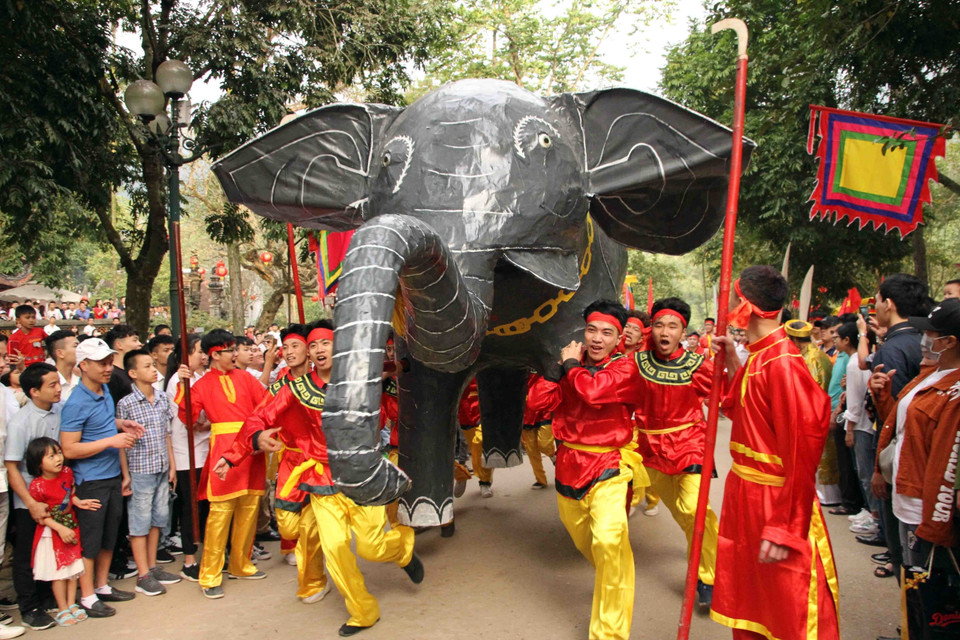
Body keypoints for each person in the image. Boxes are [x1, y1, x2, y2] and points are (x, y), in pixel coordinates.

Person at [213, 320, 422, 636]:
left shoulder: (360, 380)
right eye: (312, 345)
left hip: (360, 473)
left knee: (371, 547)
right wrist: (240, 450)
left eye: (325, 342)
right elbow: (258, 417)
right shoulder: (295, 389)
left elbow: (392, 385)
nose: (319, 349)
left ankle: (402, 548)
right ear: (308, 354)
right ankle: (362, 611)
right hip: (321, 478)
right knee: (336, 547)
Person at [709, 266, 838, 640]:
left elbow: (802, 452)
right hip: (745, 496)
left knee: (790, 609)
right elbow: (749, 416)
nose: (727, 306)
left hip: (774, 501)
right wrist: (733, 360)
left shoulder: (783, 364)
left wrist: (785, 527)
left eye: (731, 300)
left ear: (743, 307)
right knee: (752, 605)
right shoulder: (760, 355)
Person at [527, 300, 647, 640]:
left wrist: (568, 365)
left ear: (618, 337)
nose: (596, 339)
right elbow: (536, 405)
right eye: (591, 330)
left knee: (609, 541)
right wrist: (555, 371)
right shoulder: (569, 367)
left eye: (606, 333)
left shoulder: (625, 368)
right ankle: (614, 579)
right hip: (568, 466)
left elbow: (593, 392)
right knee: (590, 546)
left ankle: (608, 634)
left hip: (609, 464)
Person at [872, 297, 960, 639]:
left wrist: (935, 526)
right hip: (903, 496)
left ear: (951, 341)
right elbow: (904, 430)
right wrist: (883, 397)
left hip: (923, 509)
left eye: (931, 333)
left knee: (930, 585)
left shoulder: (954, 392)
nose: (923, 339)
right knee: (911, 578)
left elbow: (945, 463)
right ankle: (911, 630)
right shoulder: (930, 375)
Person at [177, 329, 268, 599]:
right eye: (231, 351)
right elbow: (188, 419)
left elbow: (266, 405)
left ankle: (241, 564)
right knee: (220, 513)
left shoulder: (245, 378)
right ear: (217, 354)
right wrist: (184, 387)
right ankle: (210, 574)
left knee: (249, 507)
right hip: (222, 449)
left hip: (251, 446)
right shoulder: (201, 384)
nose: (236, 354)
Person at [59, 337, 145, 618]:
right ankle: (86, 596)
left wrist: (122, 424)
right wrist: (111, 441)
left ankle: (102, 585)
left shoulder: (104, 390)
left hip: (110, 475)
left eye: (109, 362)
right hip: (90, 479)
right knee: (91, 540)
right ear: (83, 366)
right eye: (101, 363)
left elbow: (105, 425)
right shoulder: (75, 402)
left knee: (110, 536)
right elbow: (69, 448)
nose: (108, 368)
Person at [864, 274, 928, 563]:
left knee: (905, 549)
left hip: (902, 458)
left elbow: (893, 418)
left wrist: (879, 467)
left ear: (888, 304)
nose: (874, 307)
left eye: (876, 301)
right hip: (926, 455)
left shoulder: (893, 349)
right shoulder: (922, 341)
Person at [115, 350, 179, 596]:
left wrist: (172, 465)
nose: (154, 369)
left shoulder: (162, 398)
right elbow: (122, 441)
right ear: (133, 374)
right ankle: (142, 574)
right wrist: (126, 474)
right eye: (147, 366)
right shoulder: (126, 403)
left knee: (157, 519)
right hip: (140, 470)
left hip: (162, 467)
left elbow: (166, 434)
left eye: (154, 365)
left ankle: (152, 567)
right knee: (139, 522)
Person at [4, 363, 62, 630]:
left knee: (51, 547)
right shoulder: (20, 423)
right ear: (33, 391)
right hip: (29, 500)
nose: (58, 389)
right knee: (27, 553)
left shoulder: (59, 412)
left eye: (58, 383)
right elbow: (12, 467)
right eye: (52, 385)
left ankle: (48, 595)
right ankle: (29, 607)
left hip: (56, 495)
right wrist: (30, 503)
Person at [25, 437, 97, 629]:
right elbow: (41, 516)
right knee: (59, 572)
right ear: (38, 464)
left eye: (58, 453)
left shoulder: (66, 473)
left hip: (71, 526)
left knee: (73, 568)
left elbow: (69, 495)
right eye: (50, 456)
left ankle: (72, 603)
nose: (58, 458)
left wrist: (78, 502)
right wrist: (59, 528)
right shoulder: (37, 486)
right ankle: (62, 608)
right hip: (52, 532)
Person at [164, 335, 209, 582]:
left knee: (205, 506)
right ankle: (189, 559)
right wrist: (203, 423)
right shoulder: (177, 382)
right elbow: (186, 418)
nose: (203, 356)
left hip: (205, 450)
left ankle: (208, 554)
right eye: (198, 352)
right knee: (190, 507)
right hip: (186, 453)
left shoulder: (202, 377)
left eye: (204, 352)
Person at [785, 320, 841, 507]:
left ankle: (827, 496)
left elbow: (813, 390)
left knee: (822, 455)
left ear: (795, 340)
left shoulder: (813, 358)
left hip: (813, 414)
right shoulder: (808, 354)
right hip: (811, 413)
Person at [836, 322, 881, 539]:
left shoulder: (856, 365)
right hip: (862, 423)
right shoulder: (855, 363)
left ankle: (874, 515)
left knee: (865, 473)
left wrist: (850, 428)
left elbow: (855, 400)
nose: (835, 340)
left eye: (838, 336)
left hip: (861, 425)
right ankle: (869, 510)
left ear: (847, 340)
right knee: (861, 470)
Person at [521, 372, 555, 490]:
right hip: (525, 411)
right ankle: (540, 480)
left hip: (543, 407)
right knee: (531, 450)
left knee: (544, 444)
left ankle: (552, 454)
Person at [104, 324, 142, 404]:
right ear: (119, 345)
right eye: (134, 340)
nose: (139, 344)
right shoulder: (111, 375)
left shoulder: (130, 371)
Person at [44, 331, 79, 405]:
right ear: (60, 353)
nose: (80, 350)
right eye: (75, 346)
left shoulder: (82, 380)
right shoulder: (46, 384)